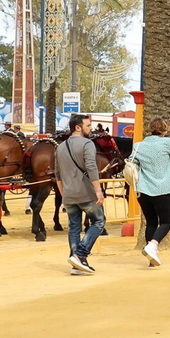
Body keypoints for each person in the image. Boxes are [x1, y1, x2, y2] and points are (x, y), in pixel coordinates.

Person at [129, 118, 170, 267]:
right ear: (165, 130)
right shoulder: (166, 143)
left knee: (151, 222)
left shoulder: (139, 146)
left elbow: (132, 162)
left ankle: (151, 257)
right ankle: (152, 246)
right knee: (167, 222)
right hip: (162, 190)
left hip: (143, 191)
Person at [54, 113, 105, 275]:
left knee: (74, 228)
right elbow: (91, 166)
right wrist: (98, 190)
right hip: (85, 192)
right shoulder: (87, 144)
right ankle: (80, 254)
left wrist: (63, 195)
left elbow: (57, 174)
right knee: (99, 222)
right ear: (78, 127)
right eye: (88, 125)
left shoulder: (60, 147)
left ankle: (77, 264)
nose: (91, 128)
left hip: (68, 194)